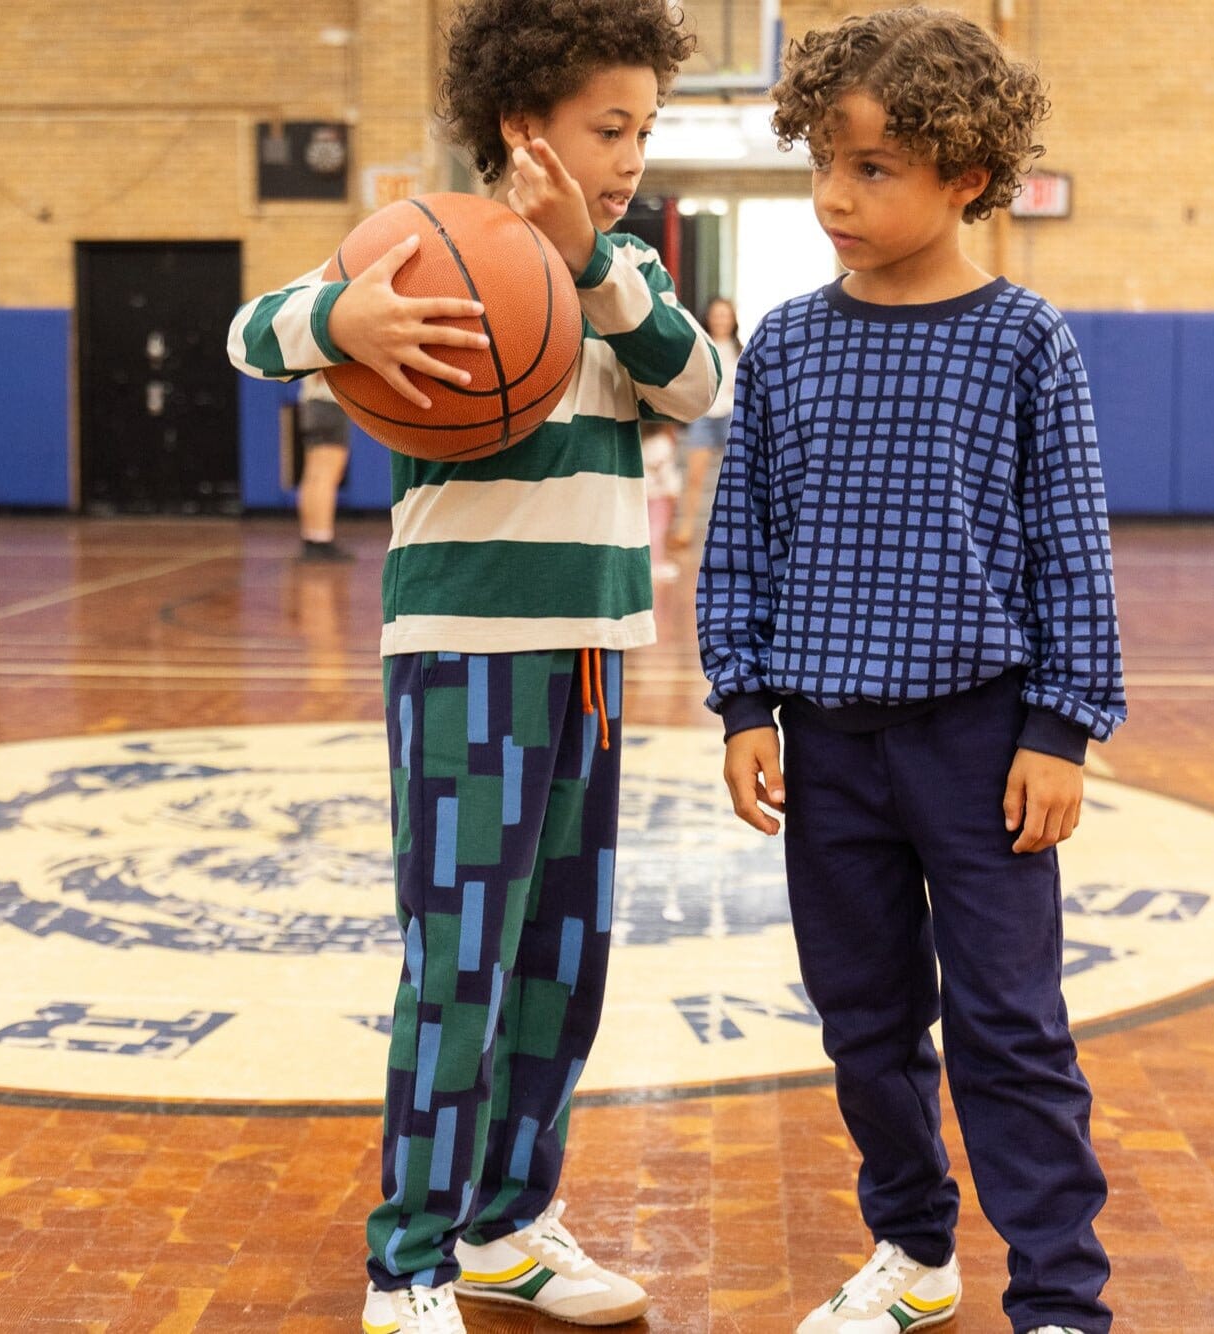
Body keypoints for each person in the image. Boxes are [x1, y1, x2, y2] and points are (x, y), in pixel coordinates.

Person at [227, 2, 717, 1331]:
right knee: (460, 962)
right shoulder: (423, 247)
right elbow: (251, 329)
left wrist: (598, 270)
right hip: (463, 653)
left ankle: (506, 1225)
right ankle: (407, 1260)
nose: (630, 155)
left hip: (594, 655)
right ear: (523, 124)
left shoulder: (627, 273)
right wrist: (343, 317)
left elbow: (699, 384)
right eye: (607, 128)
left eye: (643, 130)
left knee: (564, 958)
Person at [696, 9, 1126, 1334]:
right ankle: (913, 1246)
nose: (834, 194)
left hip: (980, 746)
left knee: (1009, 1023)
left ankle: (1058, 1297)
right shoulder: (782, 343)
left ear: (965, 176)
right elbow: (741, 535)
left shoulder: (1023, 338)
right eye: (823, 160)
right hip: (826, 748)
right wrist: (743, 701)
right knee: (863, 1021)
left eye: (872, 167)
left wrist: (1059, 726)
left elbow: (1069, 543)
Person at [669, 295, 740, 548]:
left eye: (725, 315)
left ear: (732, 319)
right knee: (695, 476)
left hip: (732, 416)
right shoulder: (701, 346)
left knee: (736, 479)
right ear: (709, 318)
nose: (721, 320)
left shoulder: (741, 350)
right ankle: (685, 531)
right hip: (704, 416)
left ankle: (735, 533)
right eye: (717, 315)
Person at [295, 370, 354, 561]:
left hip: (311, 403)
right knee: (326, 475)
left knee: (313, 475)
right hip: (329, 403)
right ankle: (322, 539)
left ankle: (311, 536)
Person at [641, 421, 682, 581]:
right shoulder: (663, 444)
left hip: (645, 493)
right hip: (660, 495)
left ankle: (650, 562)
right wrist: (673, 490)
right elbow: (666, 471)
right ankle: (656, 563)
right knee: (657, 530)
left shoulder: (643, 442)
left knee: (648, 529)